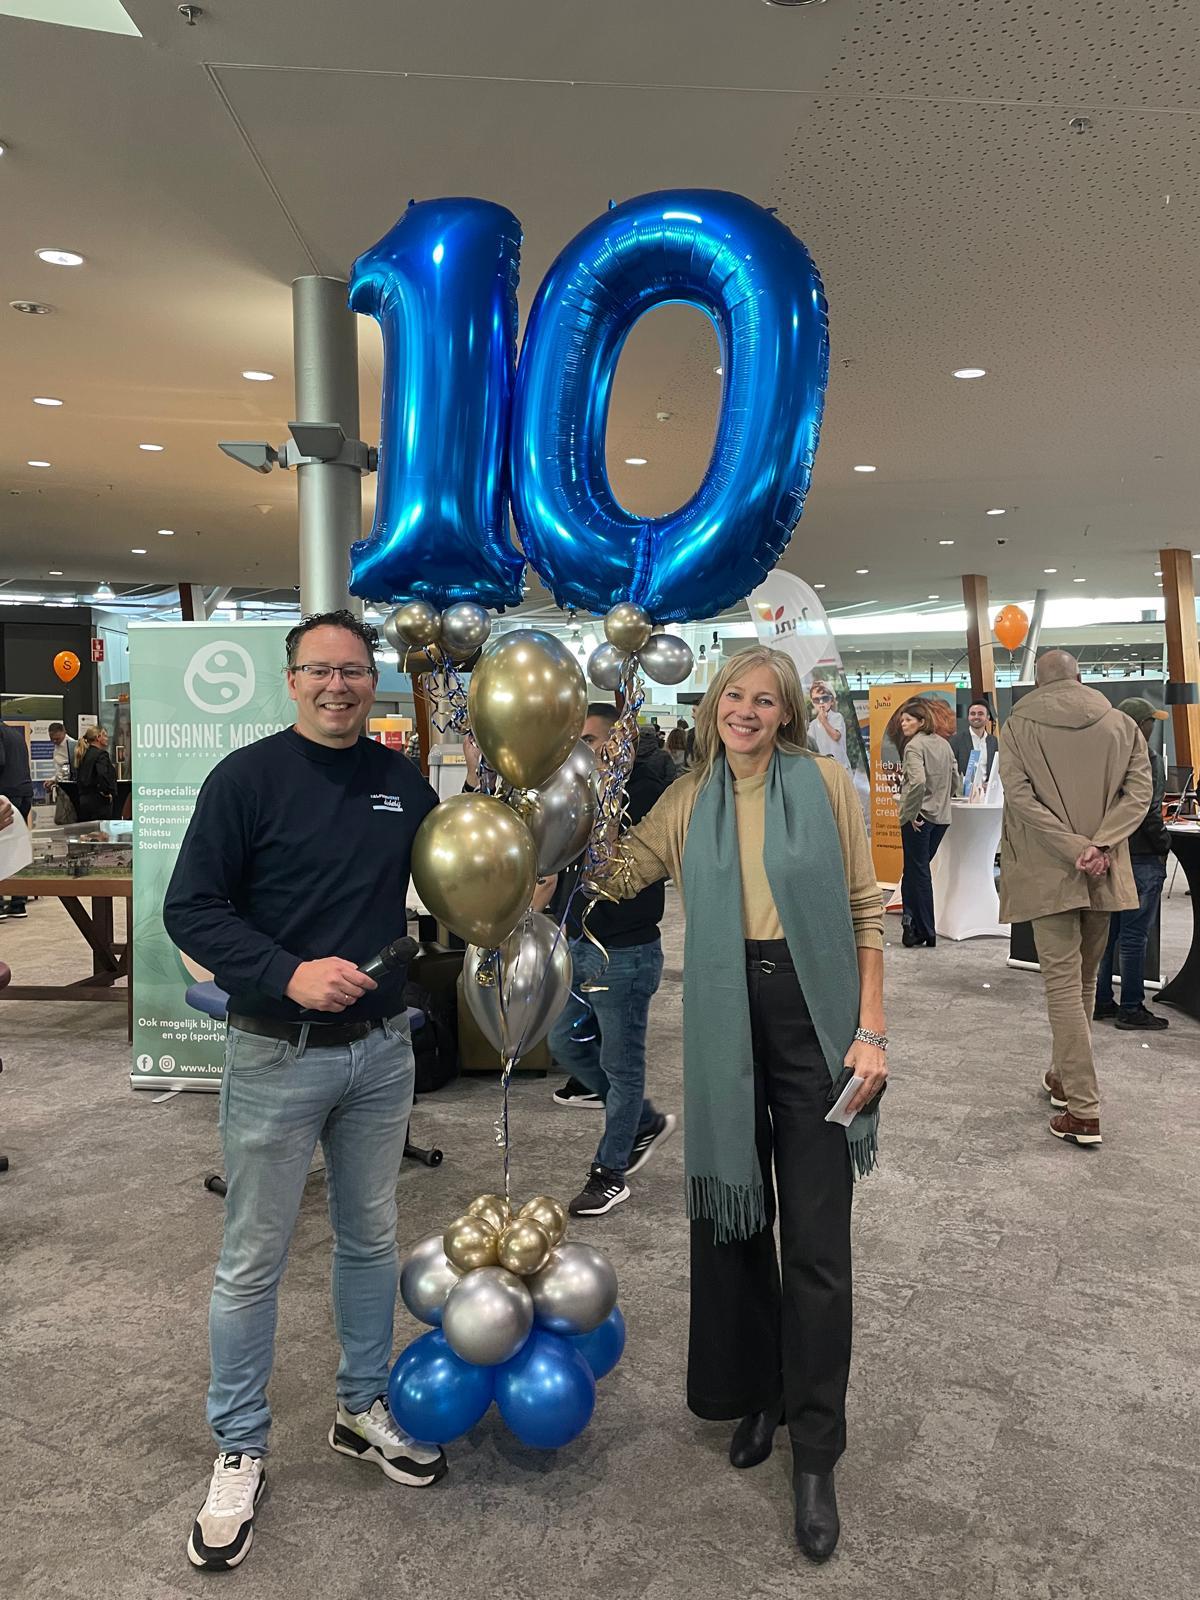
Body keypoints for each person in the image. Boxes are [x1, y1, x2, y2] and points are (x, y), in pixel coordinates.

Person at [163, 611, 446, 1574]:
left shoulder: (399, 784)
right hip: (278, 1051)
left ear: (376, 684)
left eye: (356, 672)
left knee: (369, 1238)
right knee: (253, 1258)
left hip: (380, 1054)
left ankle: (361, 1406)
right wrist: (288, 972)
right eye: (320, 671)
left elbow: (444, 884)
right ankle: (239, 1443)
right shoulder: (246, 780)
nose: (339, 686)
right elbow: (188, 908)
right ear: (291, 680)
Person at [593, 646, 886, 1562]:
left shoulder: (824, 785)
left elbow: (866, 911)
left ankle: (817, 1449)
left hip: (817, 1013)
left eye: (765, 700)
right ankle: (759, 1392)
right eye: (734, 697)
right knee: (734, 1223)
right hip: (728, 1012)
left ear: (787, 714)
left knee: (817, 1238)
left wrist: (871, 1031)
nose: (747, 711)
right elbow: (621, 873)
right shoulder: (689, 800)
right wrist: (571, 813)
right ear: (713, 704)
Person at [998, 651, 1152, 1148]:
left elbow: (1021, 800)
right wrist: (1101, 844)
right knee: (1085, 980)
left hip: (1048, 872)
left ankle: (1084, 1109)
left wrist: (1073, 848)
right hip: (1104, 871)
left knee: (1063, 986)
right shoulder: (1122, 725)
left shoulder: (1017, 728)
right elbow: (1139, 794)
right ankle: (1063, 1078)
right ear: (1080, 678)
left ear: (1037, 684)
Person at [544, 703, 678, 1216]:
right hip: (580, 943)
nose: (583, 750)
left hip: (626, 951)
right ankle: (642, 1120)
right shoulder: (578, 790)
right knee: (565, 1043)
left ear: (620, 741)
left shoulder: (643, 790)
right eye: (577, 740)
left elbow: (623, 857)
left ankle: (610, 1170)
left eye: (592, 739)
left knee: (622, 1066)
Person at [1094, 697, 1172, 1032]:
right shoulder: (1147, 758)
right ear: (1140, 724)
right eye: (1150, 720)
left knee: (1108, 935)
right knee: (1135, 936)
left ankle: (1100, 1000)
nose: (1154, 725)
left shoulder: (1105, 756)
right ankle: (1131, 1007)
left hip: (1110, 853)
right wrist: (1164, 843)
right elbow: (1148, 811)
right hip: (1141, 857)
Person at [895, 698, 957, 948]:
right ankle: (911, 926)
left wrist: (911, 814)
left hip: (919, 819)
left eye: (908, 720)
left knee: (918, 872)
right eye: (902, 720)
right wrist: (942, 800)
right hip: (941, 818)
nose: (903, 724)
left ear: (922, 722)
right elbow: (955, 778)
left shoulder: (914, 746)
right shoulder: (943, 744)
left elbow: (918, 782)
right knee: (914, 870)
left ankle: (926, 929)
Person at [1, 722, 34, 920]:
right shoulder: (15, 735)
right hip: (23, 793)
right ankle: (18, 901)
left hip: (4, 797)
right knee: (15, 847)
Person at [806, 678, 852, 772]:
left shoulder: (837, 717)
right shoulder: (813, 724)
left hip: (840, 767)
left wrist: (824, 722)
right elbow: (810, 748)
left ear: (831, 701)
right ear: (812, 702)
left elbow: (836, 736)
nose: (821, 703)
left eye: (825, 698)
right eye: (816, 700)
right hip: (823, 769)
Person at [74, 727, 118, 822]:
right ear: (98, 737)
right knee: (101, 832)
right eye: (105, 736)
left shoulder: (83, 754)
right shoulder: (101, 755)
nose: (107, 738)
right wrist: (106, 792)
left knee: (88, 831)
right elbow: (102, 774)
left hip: (84, 800)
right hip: (99, 801)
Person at [950, 698, 998, 784]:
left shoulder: (993, 742)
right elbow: (951, 771)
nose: (976, 717)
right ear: (968, 717)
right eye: (972, 714)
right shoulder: (957, 740)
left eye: (980, 714)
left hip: (988, 793)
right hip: (965, 794)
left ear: (987, 718)